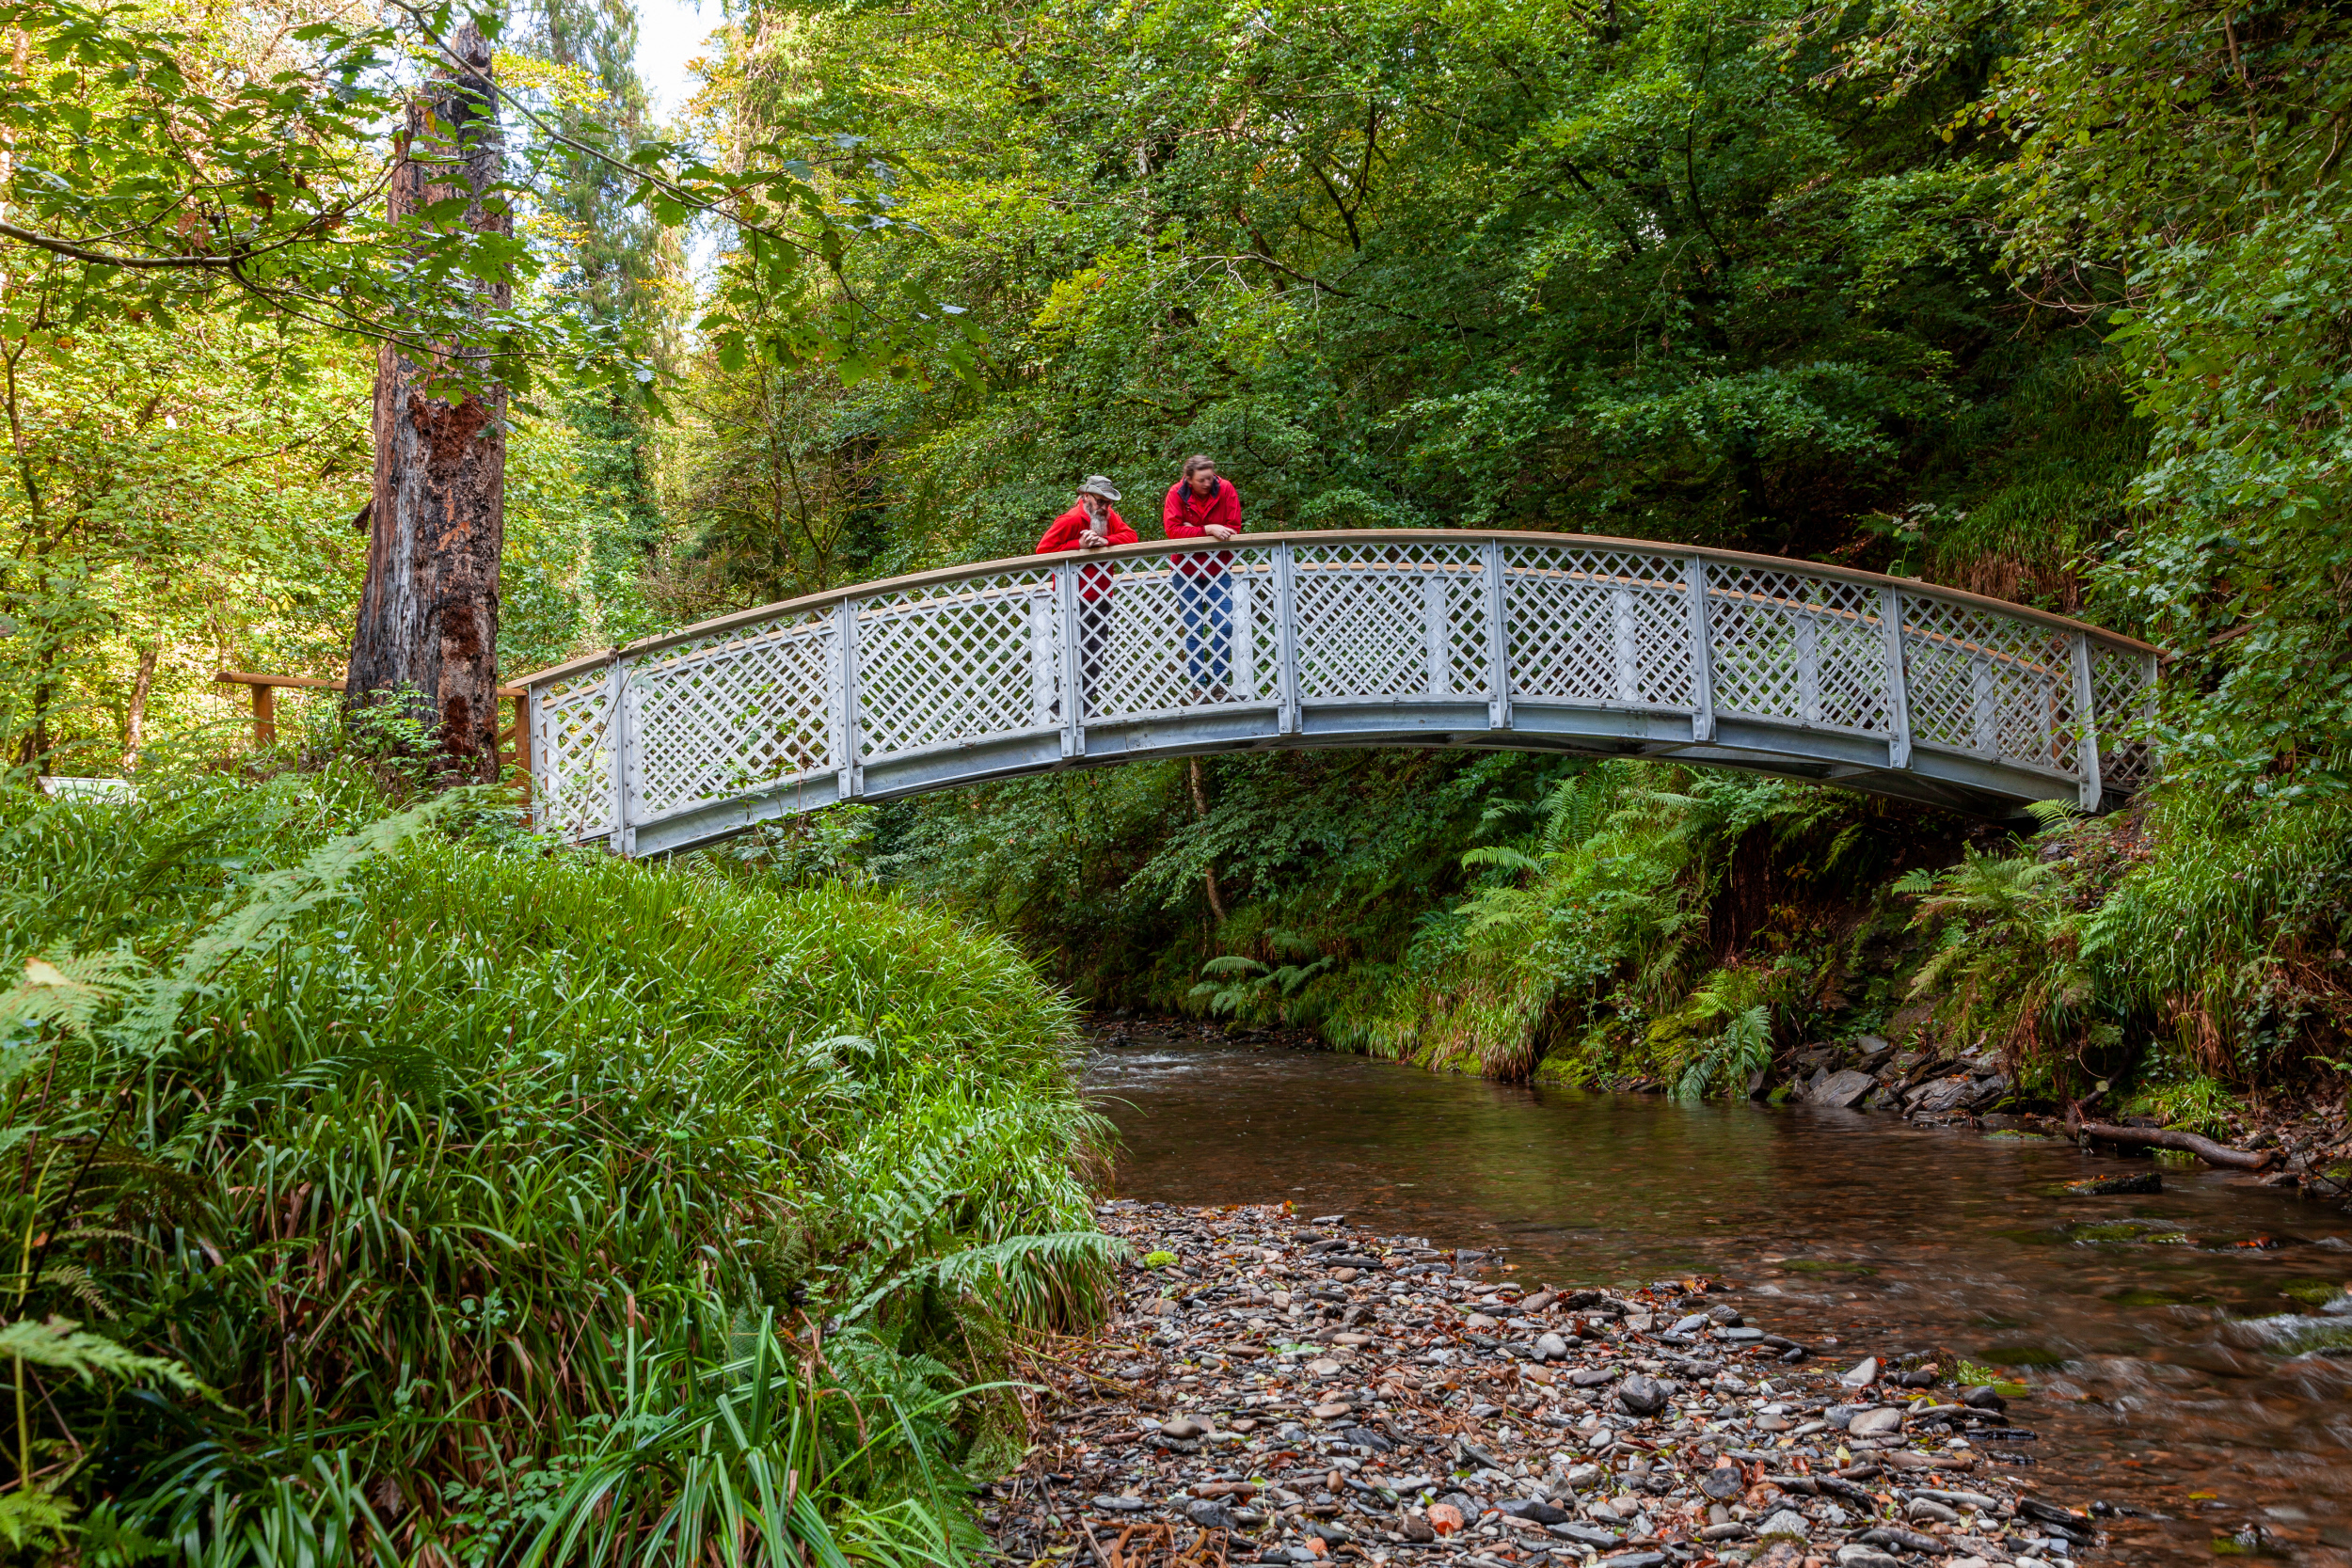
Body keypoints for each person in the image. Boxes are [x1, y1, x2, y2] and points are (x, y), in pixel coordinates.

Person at [1035, 476, 1135, 717]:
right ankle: (1063, 707)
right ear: (1086, 497)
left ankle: (1085, 705)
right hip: (1074, 597)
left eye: (1108, 503)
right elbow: (1043, 551)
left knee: (1095, 651)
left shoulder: (1110, 519)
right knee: (1075, 652)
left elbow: (1131, 537)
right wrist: (1077, 545)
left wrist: (1105, 541)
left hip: (1101, 595)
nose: (1105, 507)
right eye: (1101, 501)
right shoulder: (1070, 519)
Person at [1162, 454, 1244, 699]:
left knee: (1224, 624)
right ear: (1188, 479)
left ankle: (1220, 684)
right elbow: (1173, 531)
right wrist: (1208, 529)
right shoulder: (1176, 494)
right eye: (1201, 480)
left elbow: (1233, 527)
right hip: (1185, 569)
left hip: (1218, 567)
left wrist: (1192, 530)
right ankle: (1199, 687)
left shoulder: (1226, 488)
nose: (1208, 483)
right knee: (1194, 629)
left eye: (1210, 477)